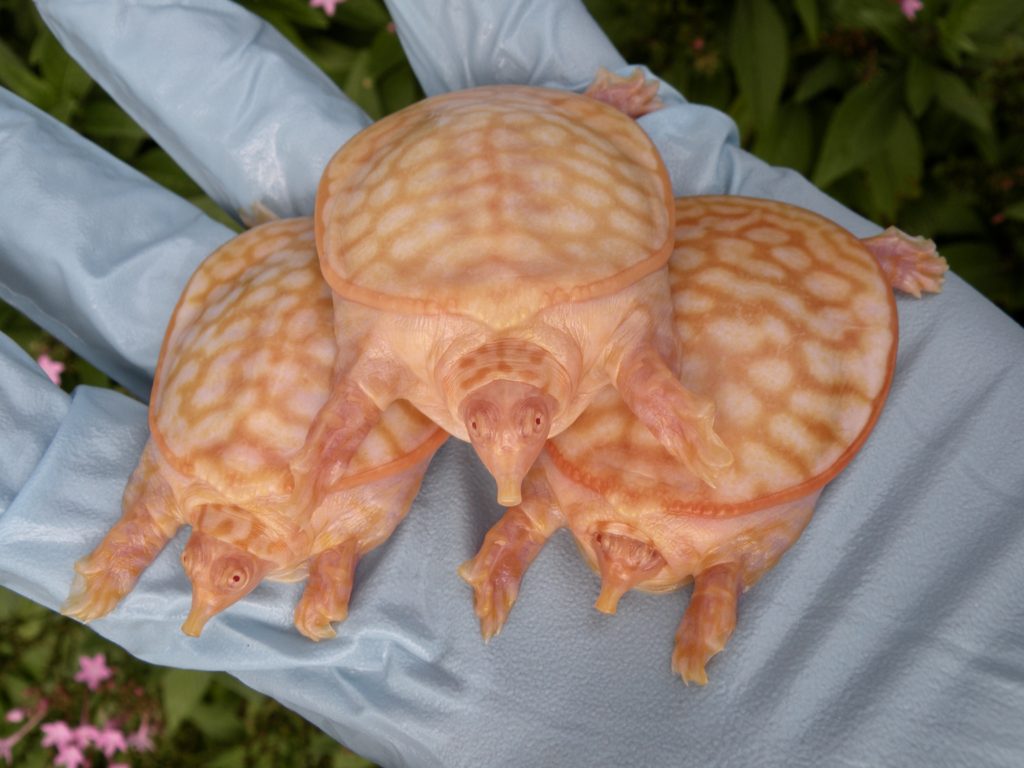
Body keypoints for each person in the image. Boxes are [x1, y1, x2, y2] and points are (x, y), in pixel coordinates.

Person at [1, 1, 1022, 766]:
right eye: (514, 429)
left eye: (524, 424)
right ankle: (830, 247)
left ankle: (855, 256)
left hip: (499, 239)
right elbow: (379, 399)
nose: (507, 451)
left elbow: (570, 431)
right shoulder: (474, 363)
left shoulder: (569, 404)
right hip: (502, 227)